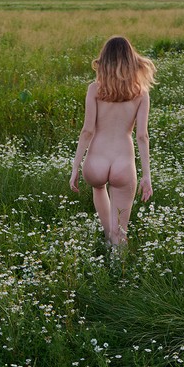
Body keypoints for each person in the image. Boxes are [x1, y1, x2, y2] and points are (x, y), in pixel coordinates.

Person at [69, 36, 156, 247]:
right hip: (123, 162)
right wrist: (147, 175)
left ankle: (109, 235)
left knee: (98, 189)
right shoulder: (140, 93)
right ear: (131, 60)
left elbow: (87, 131)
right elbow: (142, 136)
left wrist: (75, 167)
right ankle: (117, 254)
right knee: (121, 233)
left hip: (96, 160)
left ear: (104, 61)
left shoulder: (95, 89)